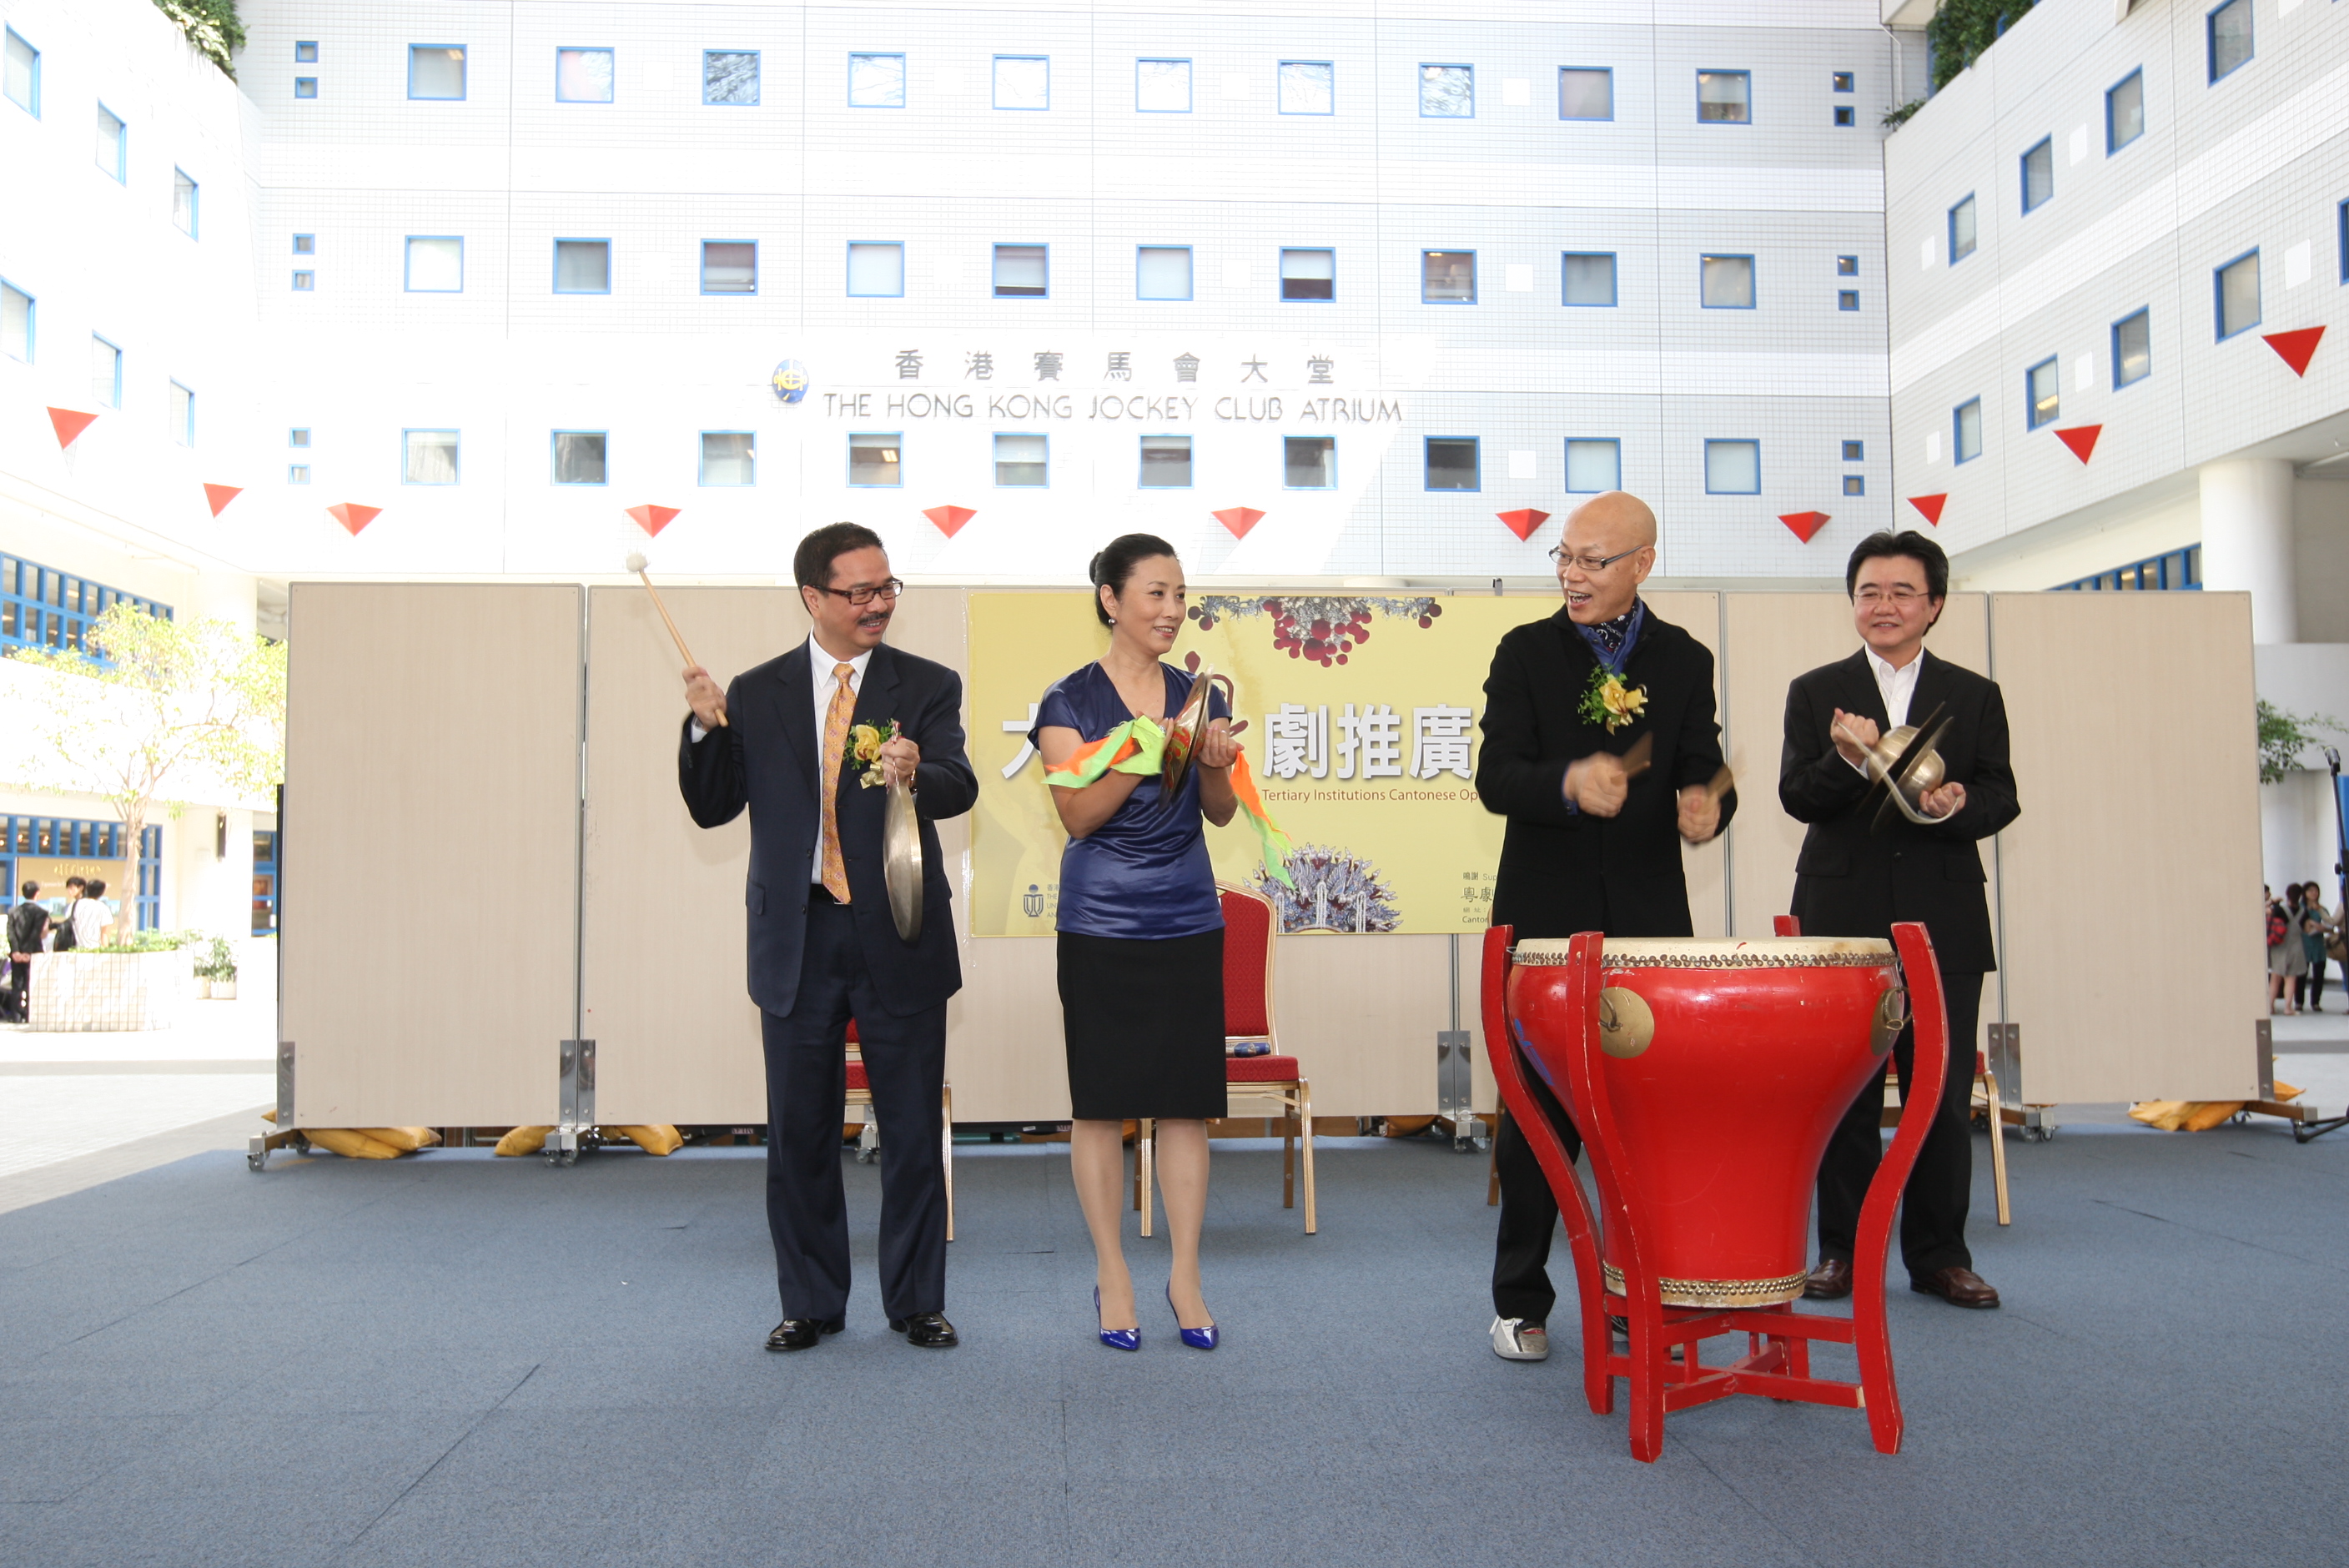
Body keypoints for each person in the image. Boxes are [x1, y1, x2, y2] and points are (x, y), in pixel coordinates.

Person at [677, 523, 978, 1353]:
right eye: (858, 591)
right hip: (797, 935)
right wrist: (704, 729)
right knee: (800, 1131)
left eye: (886, 587)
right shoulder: (759, 688)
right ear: (813, 597)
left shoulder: (925, 683)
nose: (877, 603)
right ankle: (810, 1301)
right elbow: (712, 806)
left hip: (899, 926)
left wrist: (918, 766)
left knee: (912, 1127)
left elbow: (959, 783)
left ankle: (916, 1299)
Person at [1476, 491, 1734, 1362]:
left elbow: (1705, 763)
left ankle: (1637, 1298)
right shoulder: (1524, 651)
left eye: (1591, 559)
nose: (1570, 574)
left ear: (1640, 563)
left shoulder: (1683, 658)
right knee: (1537, 1117)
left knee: (1643, 1121)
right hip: (1545, 924)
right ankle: (1520, 1298)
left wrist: (1708, 802)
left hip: (1647, 926)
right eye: (1563, 556)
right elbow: (1495, 776)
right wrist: (1563, 782)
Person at [1786, 530, 2020, 1312]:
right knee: (1845, 1093)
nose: (1883, 607)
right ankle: (1840, 1253)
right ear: (1852, 603)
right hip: (1841, 919)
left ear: (1935, 605)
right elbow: (1797, 798)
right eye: (1869, 593)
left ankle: (1940, 1256)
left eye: (1901, 594)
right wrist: (1847, 758)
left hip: (1943, 916)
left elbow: (2001, 794)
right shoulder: (1816, 691)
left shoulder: (1974, 693)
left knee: (1943, 1093)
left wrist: (1961, 805)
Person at [1033, 534, 1238, 1353]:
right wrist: (1140, 746)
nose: (1170, 609)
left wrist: (1210, 755)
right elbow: (1078, 815)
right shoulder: (1066, 699)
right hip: (1100, 924)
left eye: (1179, 594)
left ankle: (1184, 1273)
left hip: (1188, 915)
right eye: (1154, 593)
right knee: (1101, 1102)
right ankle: (1112, 1272)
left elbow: (1217, 810)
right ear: (1109, 599)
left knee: (1185, 1102)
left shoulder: (1199, 693)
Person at [6, 882, 46, 1023]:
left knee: (17, 984)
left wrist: (16, 951)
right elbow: (35, 934)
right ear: (37, 893)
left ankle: (16, 1016)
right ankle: (30, 1015)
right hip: (33, 953)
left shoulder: (13, 911)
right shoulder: (41, 912)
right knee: (32, 985)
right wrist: (28, 952)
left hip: (16, 955)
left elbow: (10, 933)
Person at [2296, 882, 2333, 1013]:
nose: (2313, 893)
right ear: (2305, 893)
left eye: (2316, 891)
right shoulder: (2300, 907)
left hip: (2318, 944)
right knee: (2301, 975)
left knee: (2319, 975)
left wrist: (2321, 925)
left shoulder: (2321, 908)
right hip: (2303, 944)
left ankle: (2315, 1002)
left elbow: (2330, 924)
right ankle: (2299, 1001)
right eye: (2310, 891)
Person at [72, 878, 111, 950]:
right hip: (95, 950)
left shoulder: (76, 904)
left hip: (77, 950)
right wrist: (106, 951)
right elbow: (104, 933)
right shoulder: (103, 907)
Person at [51, 876, 84, 952]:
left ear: (81, 888)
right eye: (68, 888)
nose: (69, 891)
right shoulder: (72, 904)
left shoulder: (84, 904)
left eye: (72, 888)